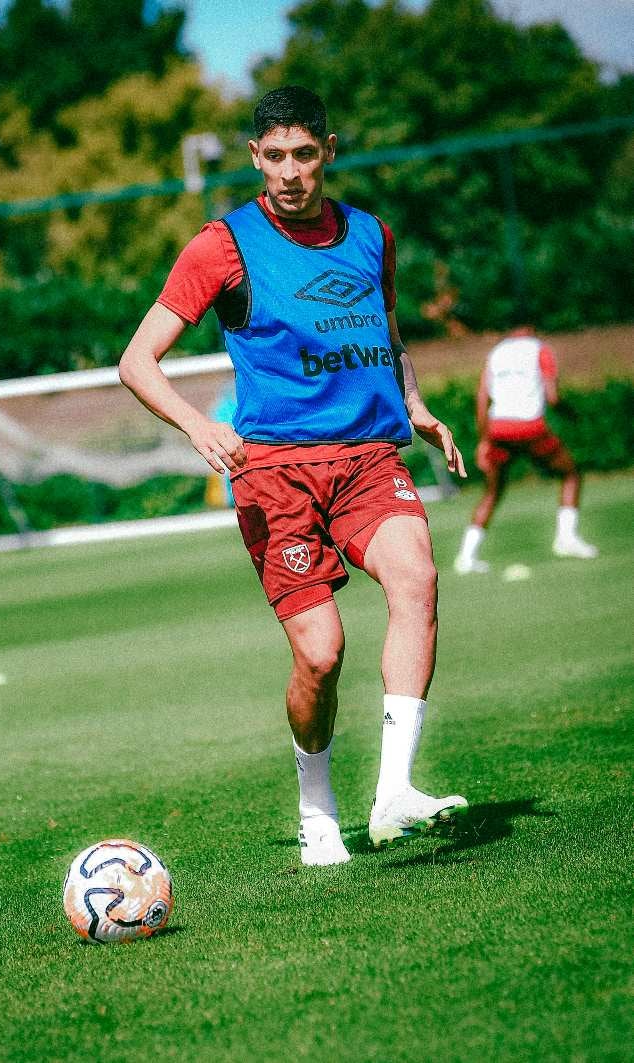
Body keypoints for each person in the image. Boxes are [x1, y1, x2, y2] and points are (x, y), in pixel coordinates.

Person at [120, 86, 467, 866]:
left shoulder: (373, 236)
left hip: (369, 459)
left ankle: (394, 794)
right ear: (254, 157)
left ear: (329, 151)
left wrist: (414, 402)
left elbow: (389, 333)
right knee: (321, 653)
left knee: (417, 576)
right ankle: (318, 806)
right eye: (273, 156)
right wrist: (199, 424)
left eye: (304, 154)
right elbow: (136, 361)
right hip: (275, 474)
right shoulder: (223, 245)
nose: (289, 172)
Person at [454, 326, 597, 575]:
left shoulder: (496, 353)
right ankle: (566, 539)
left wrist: (483, 441)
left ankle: (466, 557)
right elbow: (553, 397)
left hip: (498, 429)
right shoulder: (540, 349)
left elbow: (481, 399)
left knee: (492, 492)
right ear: (531, 327)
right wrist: (572, 413)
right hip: (530, 427)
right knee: (570, 474)